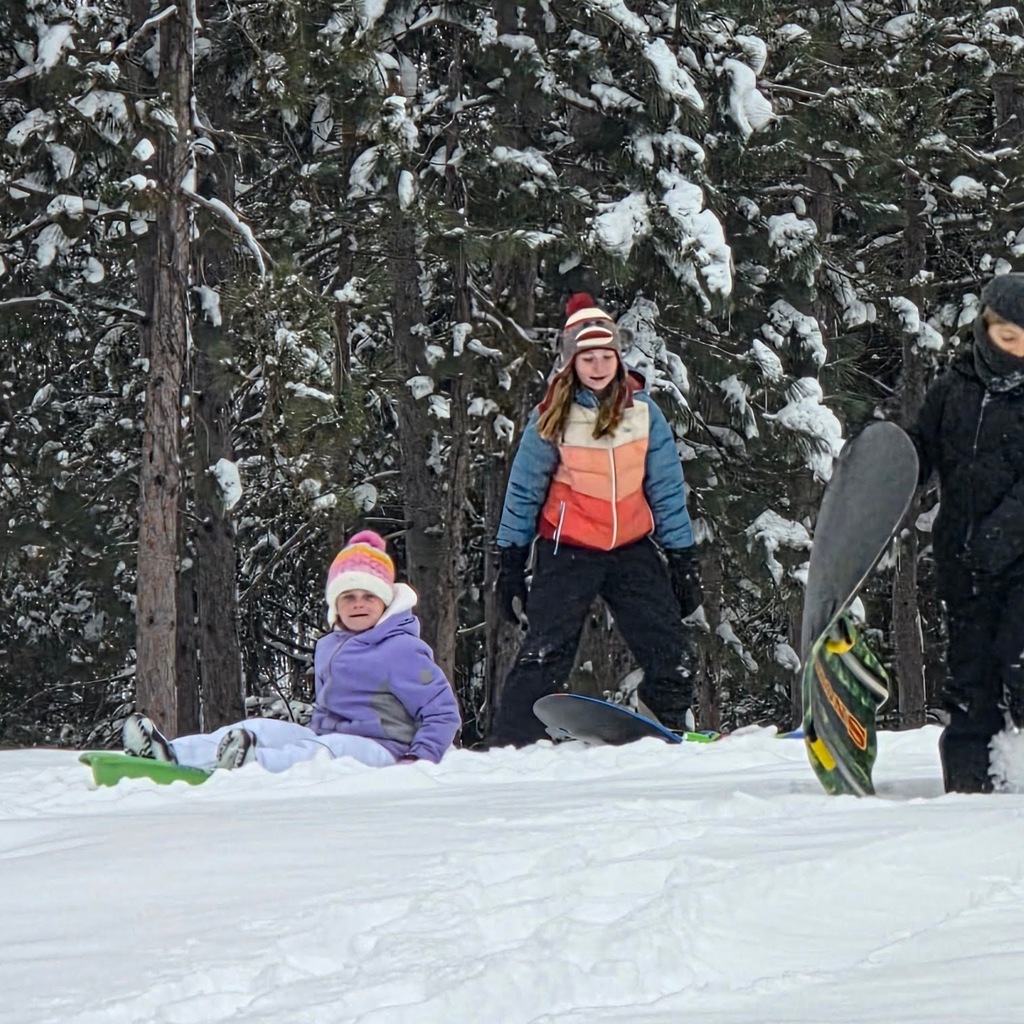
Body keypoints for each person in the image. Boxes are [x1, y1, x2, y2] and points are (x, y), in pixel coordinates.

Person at [490, 292, 703, 747]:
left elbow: (665, 489)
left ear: (619, 358)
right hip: (567, 550)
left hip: (631, 549)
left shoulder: (645, 414)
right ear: (572, 363)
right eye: (589, 357)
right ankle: (510, 744)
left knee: (672, 651)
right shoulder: (551, 418)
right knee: (545, 653)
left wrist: (683, 558)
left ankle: (660, 722)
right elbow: (524, 491)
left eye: (607, 355)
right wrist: (510, 561)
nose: (600, 365)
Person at [123, 531, 462, 772]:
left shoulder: (401, 648)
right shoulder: (331, 645)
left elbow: (442, 712)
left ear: (385, 601)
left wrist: (419, 760)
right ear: (336, 605)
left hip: (383, 749)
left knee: (324, 751)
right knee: (263, 727)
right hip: (329, 737)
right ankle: (173, 753)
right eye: (349, 597)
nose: (358, 604)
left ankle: (253, 764)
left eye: (368, 597)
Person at [909, 273, 1024, 793]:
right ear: (985, 329)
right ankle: (968, 790)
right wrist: (883, 465)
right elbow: (921, 452)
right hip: (963, 560)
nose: (1017, 351)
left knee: (1017, 662)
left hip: (1018, 563)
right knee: (969, 679)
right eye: (1008, 338)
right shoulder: (952, 389)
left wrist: (1006, 533)